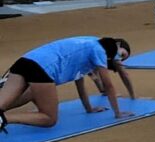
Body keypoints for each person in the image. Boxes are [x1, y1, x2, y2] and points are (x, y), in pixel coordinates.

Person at [0, 37, 133, 132]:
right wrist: (118, 113)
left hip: (25, 61)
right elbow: (108, 85)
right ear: (118, 43)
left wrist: (89, 108)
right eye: (122, 54)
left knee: (12, 100)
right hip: (41, 68)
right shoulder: (99, 50)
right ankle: (4, 119)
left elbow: (80, 85)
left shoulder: (88, 46)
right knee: (49, 119)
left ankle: (2, 115)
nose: (118, 59)